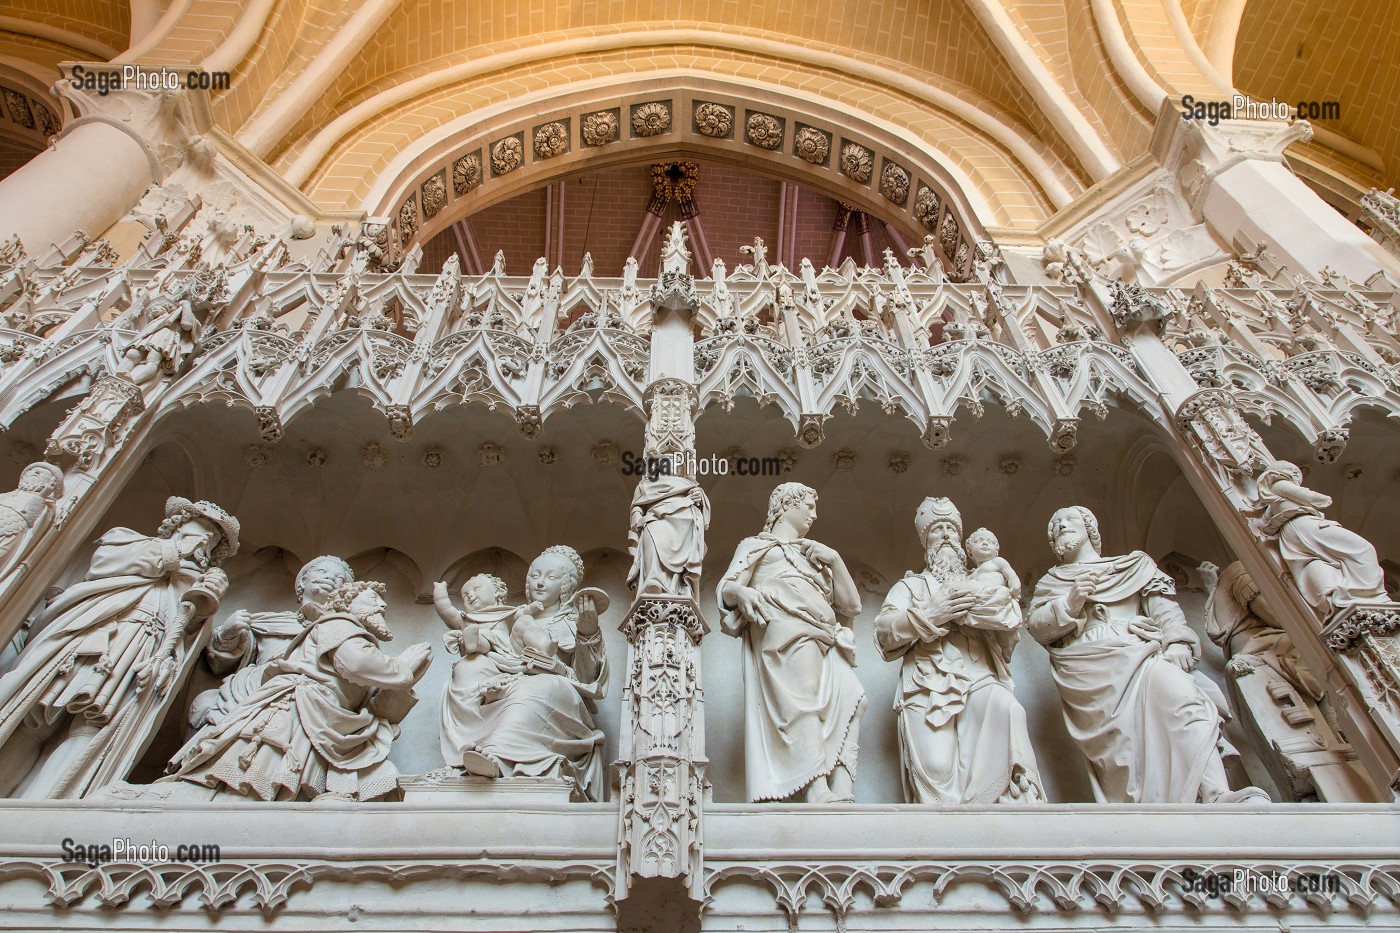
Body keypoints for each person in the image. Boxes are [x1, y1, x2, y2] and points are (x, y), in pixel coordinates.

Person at [0, 496, 237, 798]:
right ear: (176, 526)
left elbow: (187, 636)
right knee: (36, 718)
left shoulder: (193, 580)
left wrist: (204, 609)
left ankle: (50, 802)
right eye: (200, 529)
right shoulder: (126, 541)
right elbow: (105, 565)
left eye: (212, 539)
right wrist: (174, 553)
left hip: (140, 654)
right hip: (92, 638)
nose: (204, 539)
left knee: (91, 730)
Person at [1028, 506, 1268, 803]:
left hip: (1140, 652)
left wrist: (1178, 642)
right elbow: (1038, 628)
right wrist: (1071, 601)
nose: (1062, 526)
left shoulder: (1134, 566)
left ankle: (1215, 794)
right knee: (1123, 749)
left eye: (1070, 519)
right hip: (1087, 665)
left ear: (1090, 528)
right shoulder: (1051, 582)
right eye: (1055, 525)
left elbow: (1165, 611)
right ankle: (1139, 808)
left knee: (1184, 698)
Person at [165, 580, 432, 801]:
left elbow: (376, 709)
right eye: (373, 599)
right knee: (253, 778)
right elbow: (357, 663)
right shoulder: (338, 623)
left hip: (321, 715)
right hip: (296, 709)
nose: (382, 605)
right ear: (346, 603)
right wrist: (402, 669)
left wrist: (407, 681)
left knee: (280, 785)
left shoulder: (360, 644)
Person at [875, 499, 1043, 804]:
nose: (945, 536)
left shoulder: (983, 580)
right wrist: (931, 614)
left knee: (1009, 710)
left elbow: (1011, 619)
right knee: (937, 768)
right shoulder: (911, 587)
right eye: (937, 530)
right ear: (926, 542)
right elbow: (885, 633)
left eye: (951, 530)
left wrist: (975, 611)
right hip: (928, 684)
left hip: (980, 676)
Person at [718, 482, 866, 803]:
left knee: (855, 696)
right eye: (809, 506)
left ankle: (841, 789)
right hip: (786, 635)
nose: (814, 514)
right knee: (804, 705)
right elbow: (727, 587)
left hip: (824, 637)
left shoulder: (815, 555)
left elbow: (852, 606)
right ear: (787, 505)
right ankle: (816, 790)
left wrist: (836, 560)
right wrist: (741, 592)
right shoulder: (757, 546)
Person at [438, 547, 609, 799]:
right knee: (468, 667)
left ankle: (496, 757)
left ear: (566, 586)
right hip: (511, 675)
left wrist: (587, 634)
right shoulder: (512, 617)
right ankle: (465, 754)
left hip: (554, 685)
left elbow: (587, 681)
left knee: (536, 688)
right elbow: (495, 647)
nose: (539, 582)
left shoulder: (574, 622)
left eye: (551, 577)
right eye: (534, 575)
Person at [187, 555, 355, 736]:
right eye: (322, 572)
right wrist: (227, 634)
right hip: (253, 690)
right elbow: (223, 662)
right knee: (204, 705)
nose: (330, 578)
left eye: (340, 579)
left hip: (306, 702)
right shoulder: (269, 622)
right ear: (303, 582)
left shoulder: (346, 634)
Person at [1252, 460, 1387, 615]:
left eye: (1297, 471)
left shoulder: (1273, 499)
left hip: (1292, 532)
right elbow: (1308, 497)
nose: (1297, 473)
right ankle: (1367, 592)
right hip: (1304, 525)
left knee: (1319, 564)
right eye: (1291, 469)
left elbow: (1266, 523)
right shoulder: (1279, 484)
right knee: (1363, 549)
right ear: (1277, 471)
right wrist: (1323, 499)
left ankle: (1342, 598)